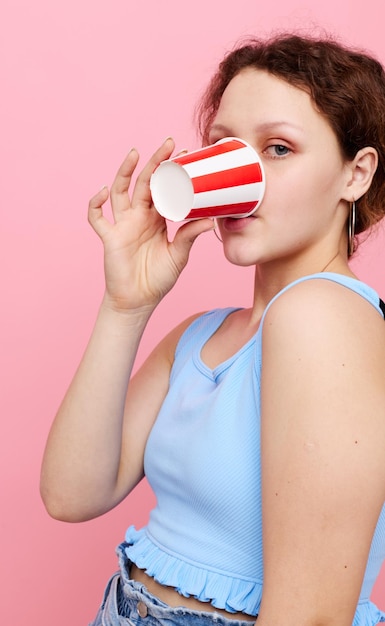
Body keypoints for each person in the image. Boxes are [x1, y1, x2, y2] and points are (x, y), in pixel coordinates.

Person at [40, 32, 385, 626]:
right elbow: (72, 494)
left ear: (355, 175)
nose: (240, 172)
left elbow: (312, 617)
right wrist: (126, 304)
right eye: (223, 147)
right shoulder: (202, 335)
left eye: (277, 148)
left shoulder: (323, 316)